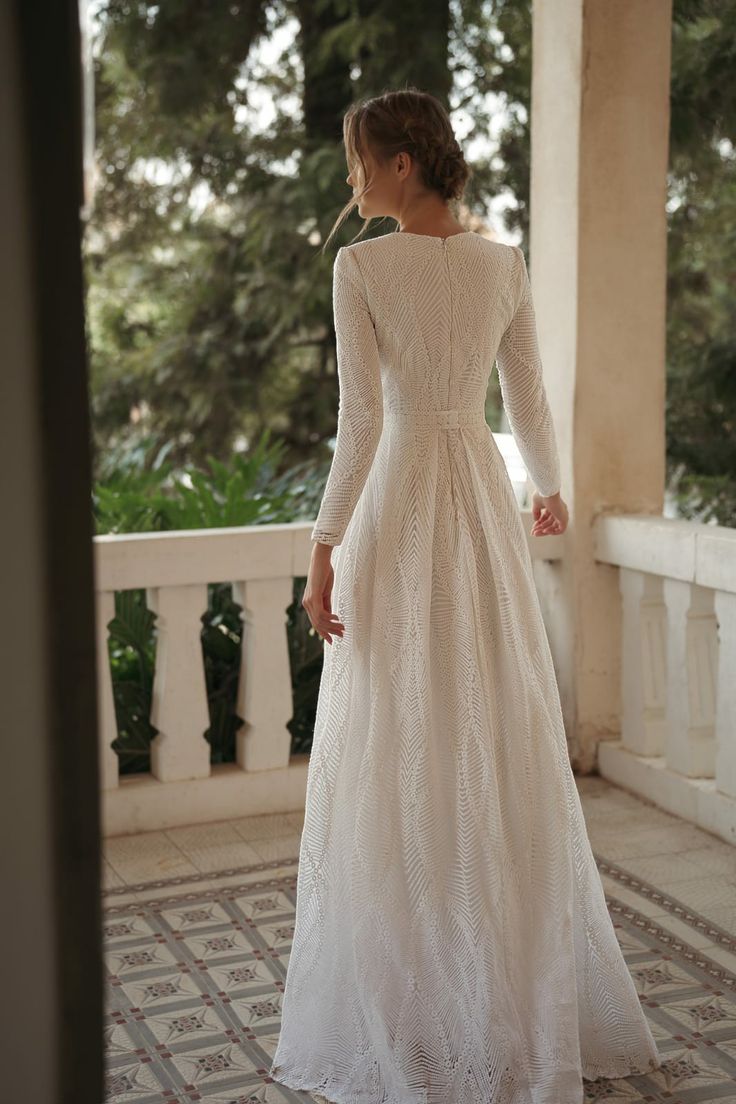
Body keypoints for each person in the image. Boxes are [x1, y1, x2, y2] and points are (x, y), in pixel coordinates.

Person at [269, 88, 662, 1104]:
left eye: (361, 160)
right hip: (480, 504)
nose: (353, 179)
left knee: (400, 732)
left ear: (403, 163)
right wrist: (548, 485)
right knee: (485, 723)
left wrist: (322, 550)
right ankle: (497, 986)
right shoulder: (504, 263)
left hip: (400, 503)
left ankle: (411, 993)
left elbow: (360, 426)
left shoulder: (360, 267)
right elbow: (527, 393)